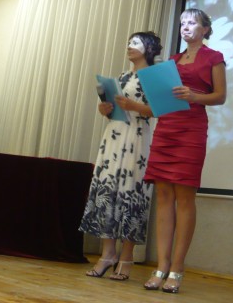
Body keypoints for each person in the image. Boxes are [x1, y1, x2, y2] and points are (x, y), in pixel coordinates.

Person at [142, 8, 227, 294]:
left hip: (191, 129)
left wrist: (194, 96)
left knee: (185, 198)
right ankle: (160, 267)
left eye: (192, 22)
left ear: (205, 29)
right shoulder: (172, 60)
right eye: (182, 23)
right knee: (164, 197)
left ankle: (177, 268)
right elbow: (161, 96)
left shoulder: (214, 57)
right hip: (167, 127)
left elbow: (220, 96)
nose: (186, 27)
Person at [79, 31, 163, 281]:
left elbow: (159, 110)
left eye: (135, 43)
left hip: (136, 138)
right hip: (114, 137)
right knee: (108, 190)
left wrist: (134, 106)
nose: (129, 46)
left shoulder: (154, 76)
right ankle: (107, 254)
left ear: (149, 48)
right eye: (128, 42)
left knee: (131, 192)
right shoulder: (123, 76)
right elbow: (114, 109)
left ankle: (126, 258)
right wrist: (105, 109)